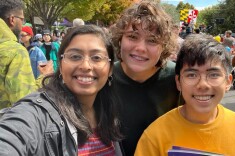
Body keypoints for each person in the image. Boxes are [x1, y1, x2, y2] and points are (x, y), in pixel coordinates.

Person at [0, 25, 123, 155]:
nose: (85, 66)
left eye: (97, 57)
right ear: (61, 64)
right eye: (75, 56)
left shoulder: (110, 109)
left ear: (110, 69)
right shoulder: (39, 113)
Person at [135, 34, 235, 156]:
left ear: (228, 82)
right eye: (191, 75)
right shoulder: (155, 136)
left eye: (213, 75)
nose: (203, 85)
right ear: (178, 82)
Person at [110, 1, 179, 155]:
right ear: (120, 38)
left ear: (164, 46)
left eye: (152, 40)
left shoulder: (178, 78)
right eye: (133, 36)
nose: (140, 48)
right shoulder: (104, 78)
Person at [0, 0, 52, 108]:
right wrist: (44, 77)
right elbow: (23, 101)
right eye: (22, 20)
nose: (22, 24)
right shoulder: (16, 51)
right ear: (12, 19)